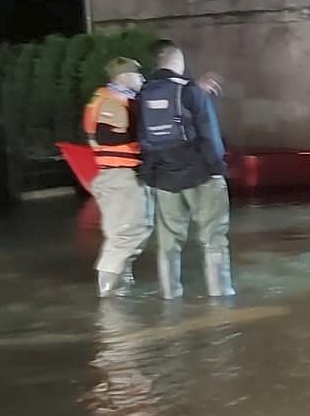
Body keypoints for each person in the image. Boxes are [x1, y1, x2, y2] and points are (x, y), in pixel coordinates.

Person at [137, 39, 233, 299]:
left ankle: (170, 296)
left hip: (164, 179)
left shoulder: (142, 93)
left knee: (168, 245)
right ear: (177, 61)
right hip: (201, 176)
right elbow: (210, 138)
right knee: (213, 239)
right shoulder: (191, 92)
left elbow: (142, 139)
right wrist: (218, 170)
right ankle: (220, 296)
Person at [84, 57, 151, 297]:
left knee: (134, 230)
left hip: (123, 174)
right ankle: (110, 293)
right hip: (119, 175)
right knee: (125, 233)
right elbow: (108, 137)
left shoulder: (116, 100)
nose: (142, 79)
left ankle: (121, 283)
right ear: (123, 77)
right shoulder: (111, 102)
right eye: (137, 74)